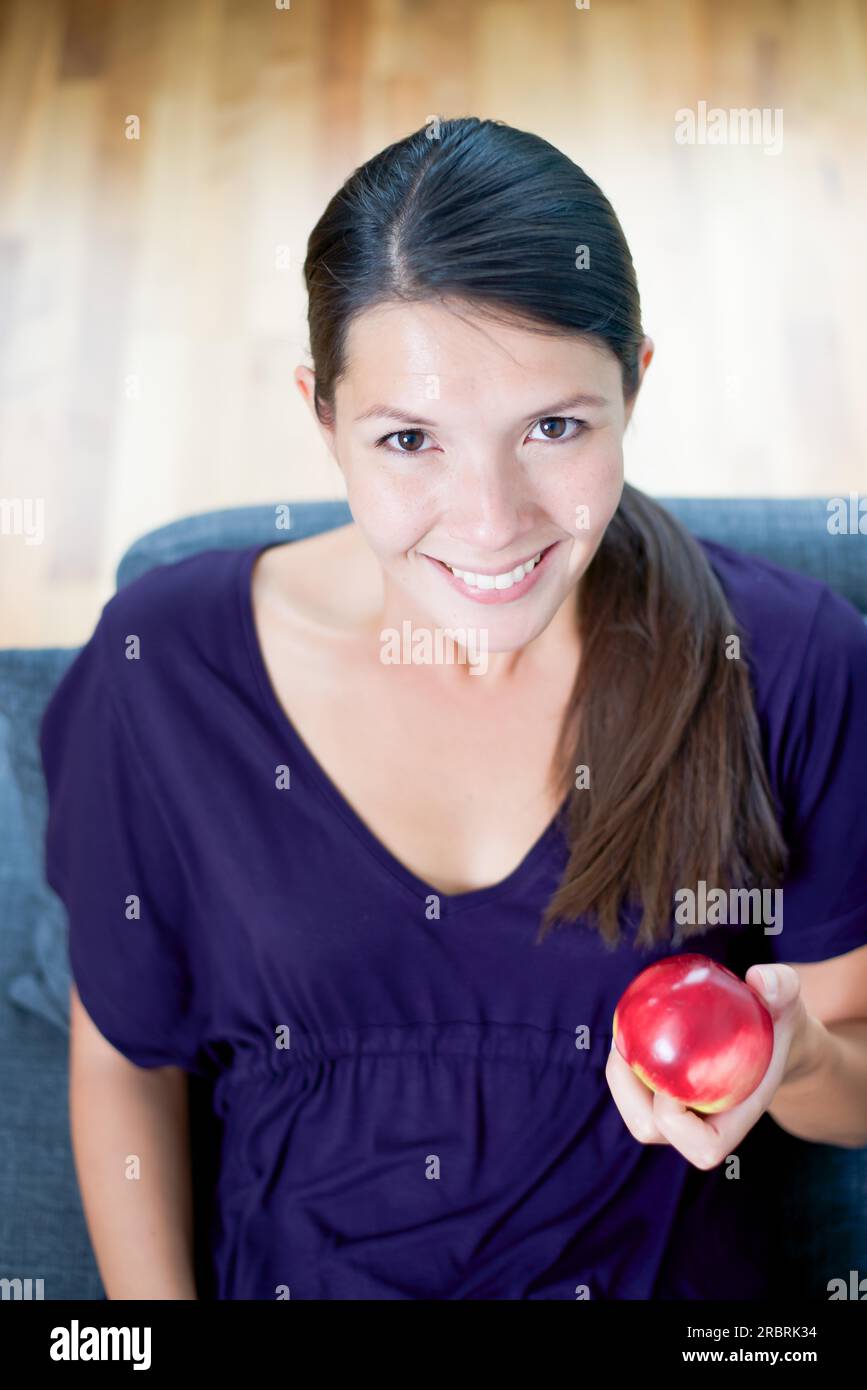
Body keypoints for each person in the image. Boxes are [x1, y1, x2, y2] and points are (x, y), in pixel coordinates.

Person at [40, 117, 867, 1301]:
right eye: (410, 439)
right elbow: (125, 1062)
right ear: (322, 415)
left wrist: (795, 1055)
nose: (490, 520)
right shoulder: (160, 667)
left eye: (554, 427)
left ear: (636, 382)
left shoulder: (793, 662)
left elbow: (855, 1077)